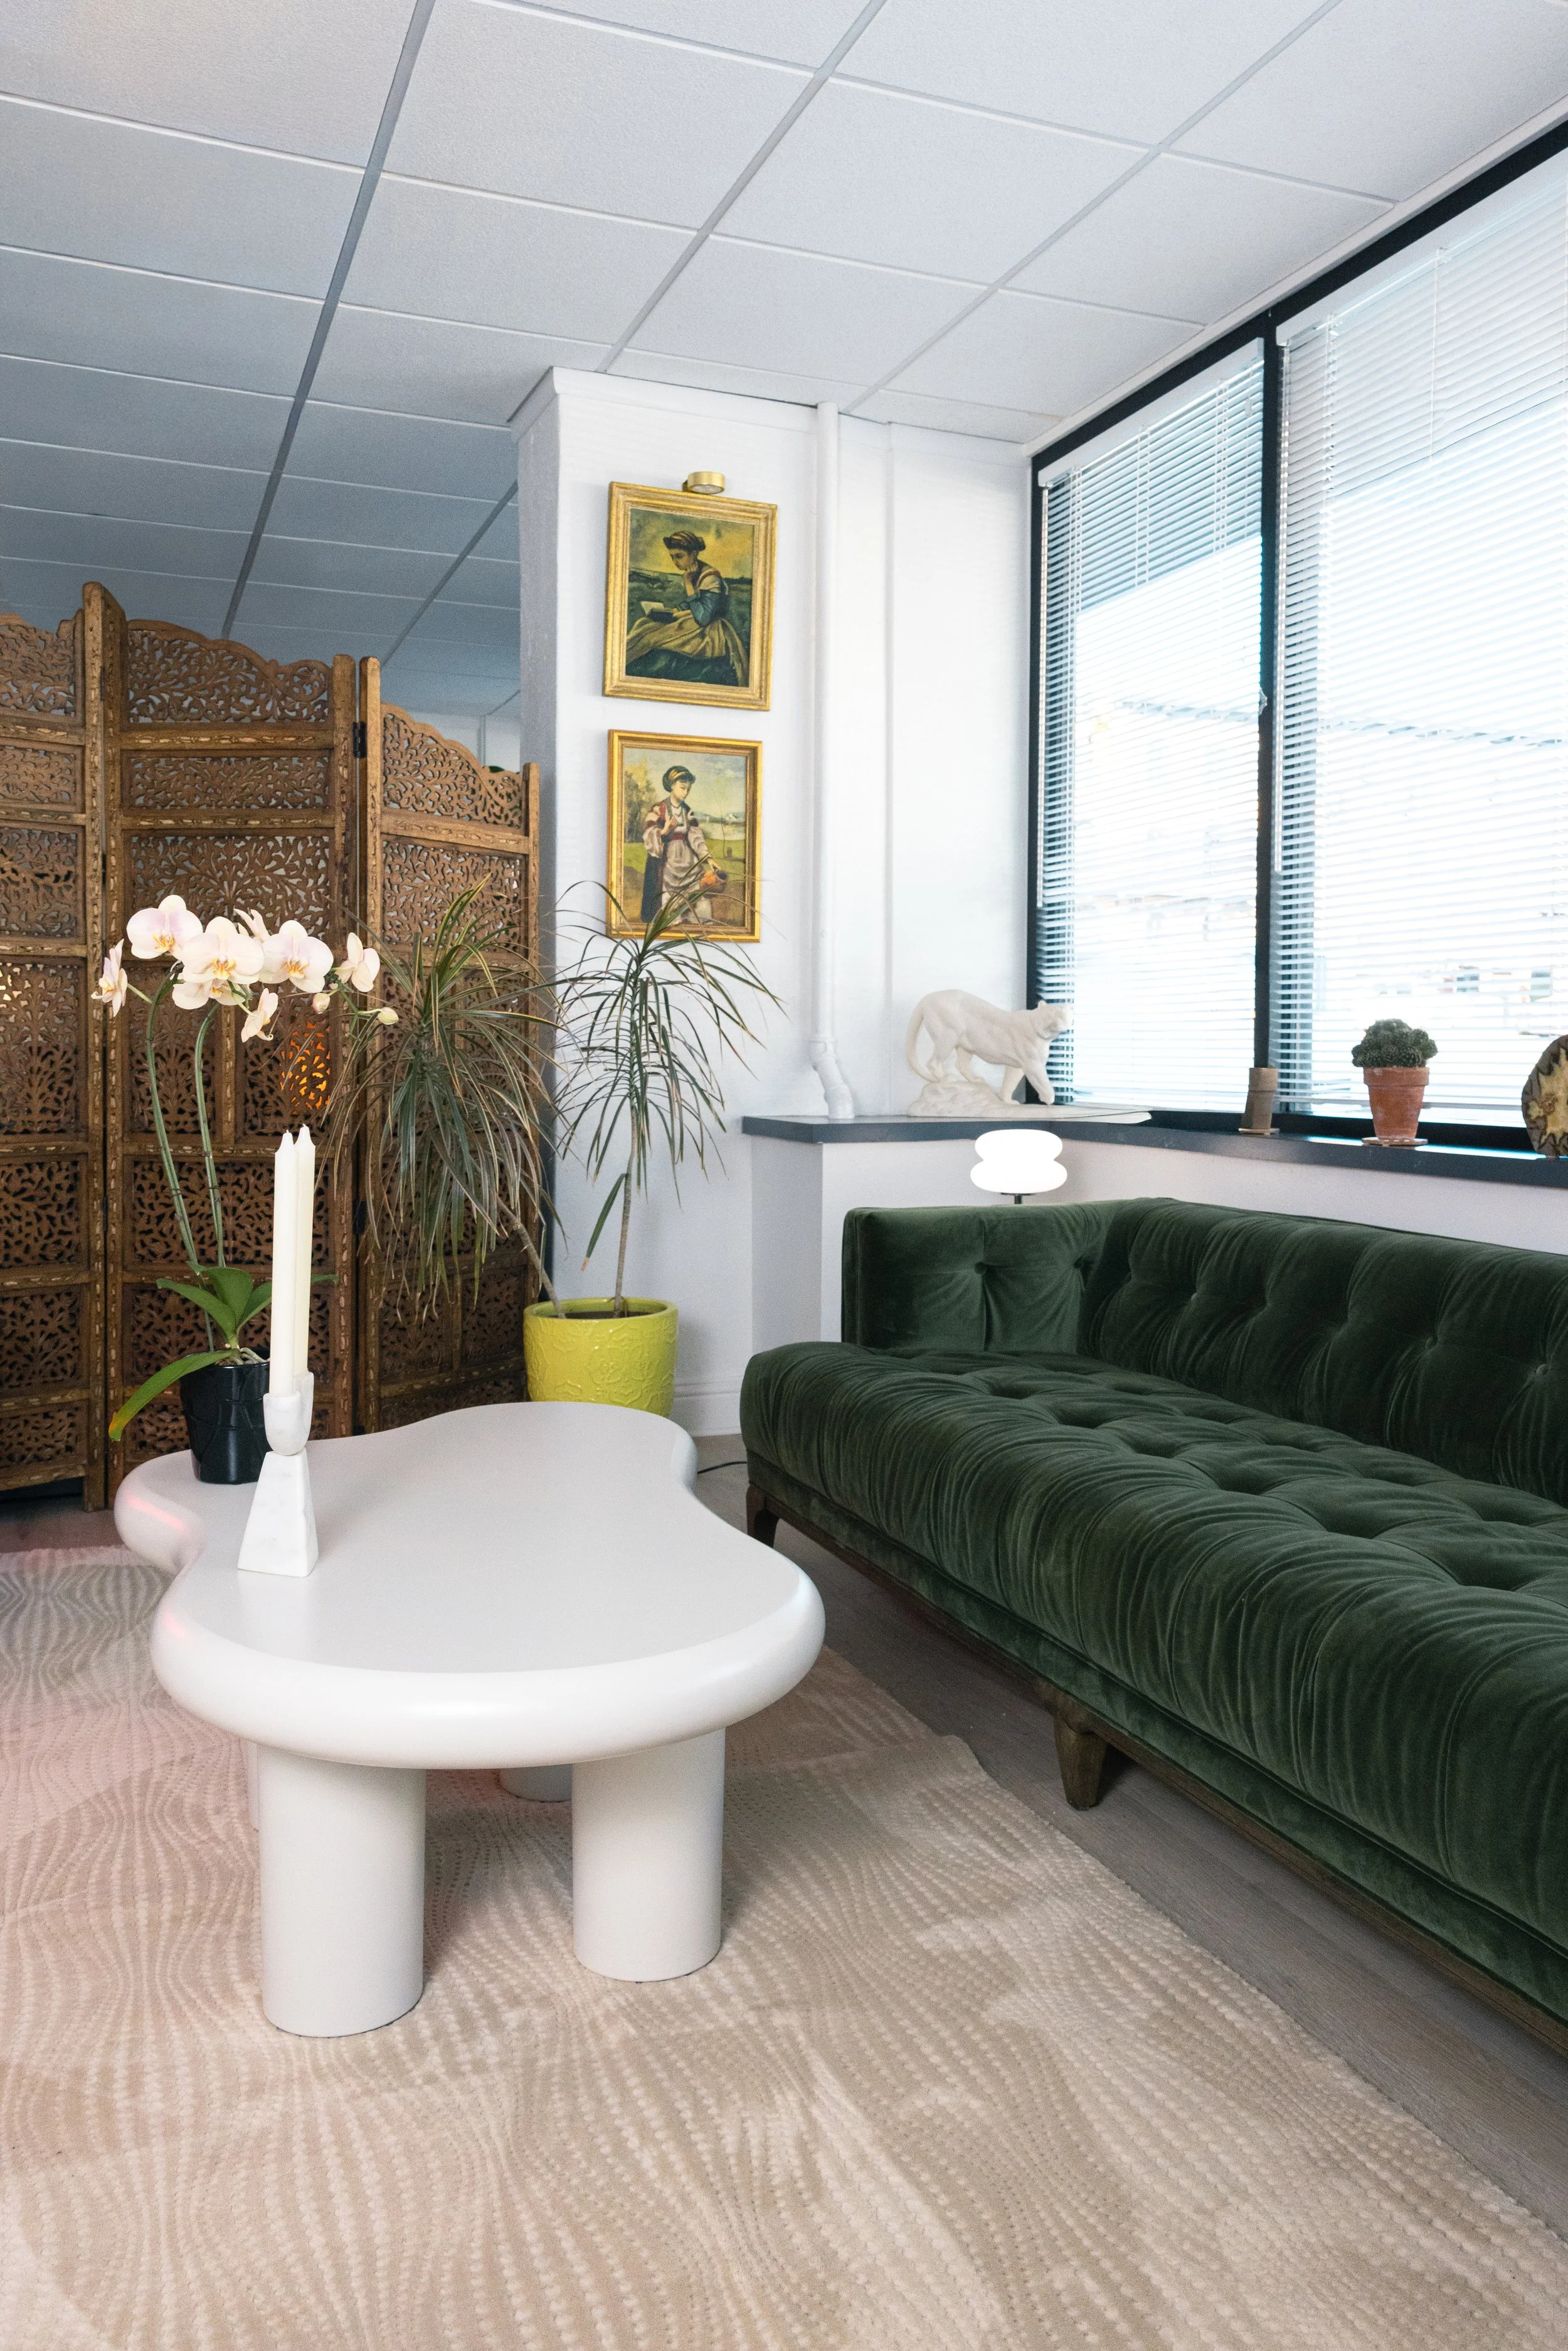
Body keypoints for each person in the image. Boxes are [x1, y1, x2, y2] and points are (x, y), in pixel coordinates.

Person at [624, 531, 748, 687]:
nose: (675, 562)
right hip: (694, 620)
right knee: (644, 624)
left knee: (652, 638)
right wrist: (676, 609)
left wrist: (688, 585)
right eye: (672, 557)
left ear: (694, 554)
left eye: (679, 556)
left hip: (710, 631)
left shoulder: (711, 578)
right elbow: (694, 602)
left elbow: (703, 618)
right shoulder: (694, 572)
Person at [640, 767, 713, 925]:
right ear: (672, 785)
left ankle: (695, 919)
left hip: (687, 858)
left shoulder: (687, 811)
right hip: (667, 860)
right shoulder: (659, 808)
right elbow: (648, 833)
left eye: (688, 789)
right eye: (682, 788)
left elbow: (696, 836)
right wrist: (664, 831)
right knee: (669, 905)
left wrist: (708, 858)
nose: (686, 793)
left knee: (697, 889)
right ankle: (672, 921)